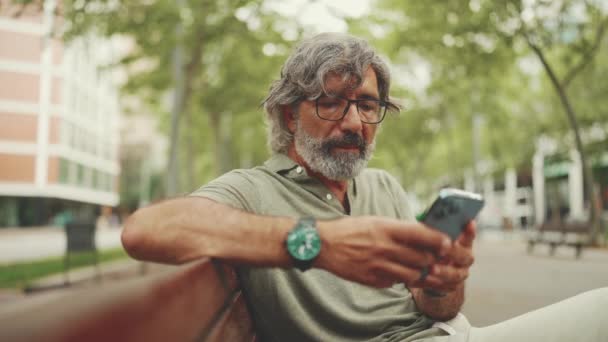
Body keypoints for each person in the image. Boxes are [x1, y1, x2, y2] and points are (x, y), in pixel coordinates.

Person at [122, 33, 608, 342]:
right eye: (333, 102)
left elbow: (434, 308)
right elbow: (146, 229)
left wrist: (444, 286)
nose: (355, 122)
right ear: (291, 114)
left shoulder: (383, 185)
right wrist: (314, 242)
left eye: (368, 105)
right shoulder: (251, 190)